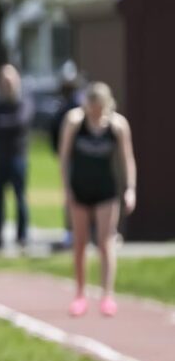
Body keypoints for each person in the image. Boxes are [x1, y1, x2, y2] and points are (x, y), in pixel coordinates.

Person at [57, 82, 136, 317]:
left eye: (99, 108)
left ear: (107, 105)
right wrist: (66, 189)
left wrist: (130, 188)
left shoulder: (117, 125)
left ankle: (107, 295)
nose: (96, 113)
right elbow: (64, 157)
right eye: (92, 108)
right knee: (80, 242)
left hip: (106, 190)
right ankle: (80, 294)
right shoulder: (74, 122)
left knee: (105, 241)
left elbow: (127, 159)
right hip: (80, 188)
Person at [0, 64, 32, 252]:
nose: (7, 84)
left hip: (18, 159)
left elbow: (20, 123)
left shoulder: (24, 102)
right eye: (4, 81)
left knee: (20, 199)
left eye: (10, 81)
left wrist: (1, 125)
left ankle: (22, 237)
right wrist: (5, 125)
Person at [48, 71, 82, 251]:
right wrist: (59, 153)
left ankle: (86, 231)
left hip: (85, 159)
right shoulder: (62, 109)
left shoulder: (81, 106)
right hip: (69, 158)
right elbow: (54, 132)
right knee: (70, 195)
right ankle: (71, 232)